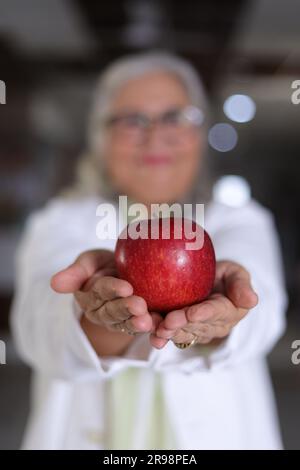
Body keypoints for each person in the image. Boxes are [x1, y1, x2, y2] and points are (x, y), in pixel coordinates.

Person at [11, 52, 287, 450]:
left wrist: (224, 318)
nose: (156, 136)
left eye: (176, 117)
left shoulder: (240, 218)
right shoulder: (60, 220)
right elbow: (36, 328)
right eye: (131, 120)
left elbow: (265, 311)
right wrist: (98, 316)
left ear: (200, 134)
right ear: (100, 138)